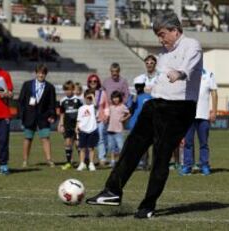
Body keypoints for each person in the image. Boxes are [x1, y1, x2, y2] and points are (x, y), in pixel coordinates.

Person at [86, 12, 202, 219]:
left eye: (162, 34)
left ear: (175, 31)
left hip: (179, 108)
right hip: (156, 104)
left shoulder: (192, 45)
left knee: (160, 155)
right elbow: (160, 81)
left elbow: (189, 67)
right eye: (158, 35)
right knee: (132, 146)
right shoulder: (163, 55)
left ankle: (148, 205)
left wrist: (179, 73)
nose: (160, 39)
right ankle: (112, 191)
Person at [180, 69, 218, 176]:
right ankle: (187, 166)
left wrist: (214, 111)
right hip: (188, 115)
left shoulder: (209, 74)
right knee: (188, 143)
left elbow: (214, 93)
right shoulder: (186, 73)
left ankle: (204, 165)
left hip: (204, 115)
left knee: (204, 143)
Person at [18, 64, 56, 168]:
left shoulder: (50, 87)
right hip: (29, 116)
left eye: (43, 73)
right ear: (36, 73)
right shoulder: (27, 85)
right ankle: (25, 160)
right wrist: (22, 115)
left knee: (45, 138)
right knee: (28, 138)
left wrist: (52, 115)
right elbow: (21, 101)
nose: (41, 75)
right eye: (39, 72)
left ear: (46, 74)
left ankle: (49, 160)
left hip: (43, 117)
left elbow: (52, 103)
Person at [126, 76, 153, 170]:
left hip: (145, 125)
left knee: (144, 145)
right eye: (137, 86)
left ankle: (145, 163)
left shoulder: (148, 97)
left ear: (143, 86)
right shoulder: (132, 97)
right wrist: (132, 100)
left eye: (140, 86)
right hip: (133, 124)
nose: (138, 88)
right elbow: (129, 109)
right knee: (133, 145)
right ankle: (134, 163)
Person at [86, 74, 110, 167]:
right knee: (88, 139)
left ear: (98, 82)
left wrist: (106, 116)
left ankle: (102, 159)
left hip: (100, 119)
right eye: (91, 81)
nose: (93, 83)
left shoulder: (102, 93)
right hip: (89, 120)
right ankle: (87, 158)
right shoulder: (86, 93)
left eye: (95, 81)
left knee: (100, 139)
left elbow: (106, 106)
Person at [59, 81, 83, 170]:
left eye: (69, 89)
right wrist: (61, 124)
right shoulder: (62, 101)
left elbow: (82, 112)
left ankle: (82, 162)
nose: (67, 91)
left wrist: (80, 124)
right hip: (67, 125)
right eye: (65, 90)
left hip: (77, 125)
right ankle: (68, 162)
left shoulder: (78, 100)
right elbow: (62, 114)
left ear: (73, 89)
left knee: (78, 144)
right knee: (67, 142)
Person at [75, 89, 99, 171]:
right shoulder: (81, 108)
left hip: (92, 130)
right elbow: (79, 119)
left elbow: (96, 105)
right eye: (87, 98)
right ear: (84, 98)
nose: (89, 99)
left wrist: (92, 96)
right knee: (82, 148)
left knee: (91, 148)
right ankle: (82, 163)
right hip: (83, 130)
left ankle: (91, 164)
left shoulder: (93, 107)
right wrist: (77, 127)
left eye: (90, 98)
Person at [107, 91, 131, 167]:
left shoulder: (123, 106)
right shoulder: (111, 107)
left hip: (119, 130)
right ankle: (113, 161)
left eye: (117, 97)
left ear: (120, 98)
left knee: (121, 147)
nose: (115, 99)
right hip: (110, 130)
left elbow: (129, 113)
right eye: (114, 98)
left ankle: (123, 161)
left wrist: (124, 119)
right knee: (112, 147)